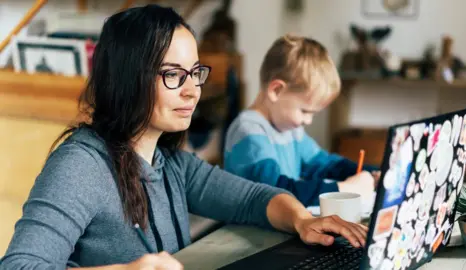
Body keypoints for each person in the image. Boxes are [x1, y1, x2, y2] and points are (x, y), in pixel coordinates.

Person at [0, 5, 368, 270]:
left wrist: (302, 221)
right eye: (174, 74)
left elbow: (253, 198)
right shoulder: (80, 165)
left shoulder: (170, 162)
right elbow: (20, 264)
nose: (193, 91)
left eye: (195, 73)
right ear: (129, 79)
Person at [224, 34, 380, 207]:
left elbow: (324, 164)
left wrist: (371, 172)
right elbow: (278, 192)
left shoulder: (290, 129)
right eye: (305, 111)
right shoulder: (249, 132)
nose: (308, 121)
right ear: (276, 91)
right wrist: (342, 189)